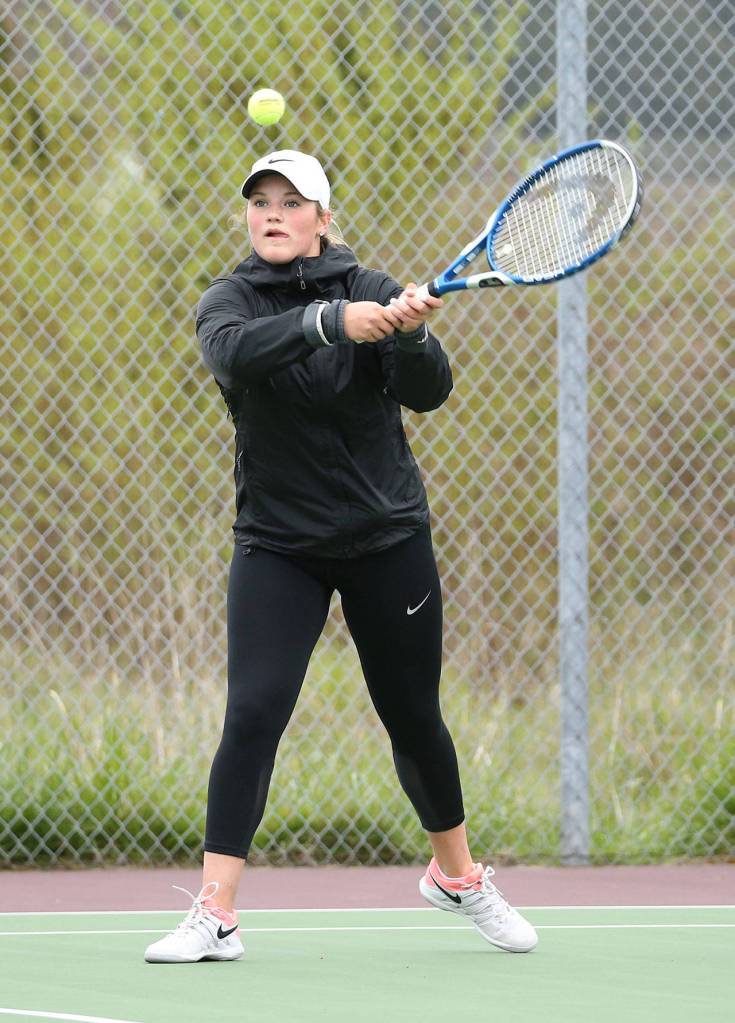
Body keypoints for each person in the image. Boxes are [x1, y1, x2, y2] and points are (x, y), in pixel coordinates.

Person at [144, 150, 537, 964]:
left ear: (324, 219)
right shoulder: (228, 301)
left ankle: (456, 876)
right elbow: (236, 356)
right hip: (278, 545)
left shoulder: (372, 287)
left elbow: (427, 392)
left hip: (386, 536)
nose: (274, 213)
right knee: (252, 713)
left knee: (412, 717)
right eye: (261, 202)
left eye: (293, 201)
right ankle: (215, 913)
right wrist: (329, 324)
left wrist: (412, 333)